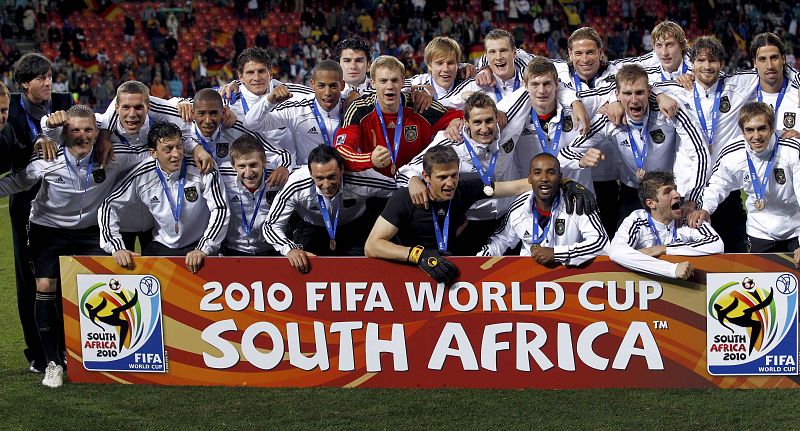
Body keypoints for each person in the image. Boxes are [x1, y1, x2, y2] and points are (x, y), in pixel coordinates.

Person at [0, 105, 149, 387]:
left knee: (113, 282)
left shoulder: (111, 157)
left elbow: (147, 155)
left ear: (98, 131)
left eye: (89, 130)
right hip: (48, 229)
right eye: (75, 130)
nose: (82, 136)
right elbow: (16, 183)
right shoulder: (46, 157)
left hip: (91, 231)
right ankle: (53, 363)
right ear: (65, 133)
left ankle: (106, 354)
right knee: (45, 287)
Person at [365, 146, 593, 283]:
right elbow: (372, 246)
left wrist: (565, 182)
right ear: (425, 176)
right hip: (410, 273)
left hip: (450, 269)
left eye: (453, 175)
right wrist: (419, 255)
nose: (450, 183)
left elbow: (514, 187)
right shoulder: (404, 199)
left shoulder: (465, 188)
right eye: (442, 177)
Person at [558, 64, 708, 226]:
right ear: (617, 95)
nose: (634, 100)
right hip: (633, 191)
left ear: (649, 92)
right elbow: (565, 153)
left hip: (668, 191)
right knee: (623, 244)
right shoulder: (608, 119)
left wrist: (692, 199)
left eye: (639, 92)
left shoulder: (669, 112)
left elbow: (700, 152)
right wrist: (581, 159)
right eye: (627, 94)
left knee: (678, 243)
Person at [4, 53, 75, 374]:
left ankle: (67, 346)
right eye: (40, 79)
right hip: (28, 205)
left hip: (66, 203)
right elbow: (11, 155)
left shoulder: (63, 99)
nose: (48, 83)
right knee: (31, 280)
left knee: (65, 275)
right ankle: (37, 352)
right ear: (24, 84)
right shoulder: (12, 108)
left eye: (49, 76)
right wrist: (35, 142)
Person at [99, 122, 230, 274]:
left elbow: (220, 209)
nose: (176, 154)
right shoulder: (142, 175)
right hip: (162, 246)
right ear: (153, 152)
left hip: (200, 244)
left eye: (179, 146)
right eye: (168, 149)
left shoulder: (203, 168)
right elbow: (109, 205)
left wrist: (204, 248)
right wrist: (116, 247)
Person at [688, 102, 800, 267]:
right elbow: (718, 183)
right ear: (742, 131)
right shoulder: (733, 152)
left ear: (772, 128)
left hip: (795, 226)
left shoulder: (792, 150)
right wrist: (705, 208)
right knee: (759, 284)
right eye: (750, 130)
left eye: (762, 128)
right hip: (759, 229)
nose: (756, 136)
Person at [263, 145, 398, 273]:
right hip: (311, 229)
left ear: (342, 170)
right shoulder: (296, 184)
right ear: (310, 174)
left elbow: (399, 190)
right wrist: (289, 249)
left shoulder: (363, 179)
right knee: (304, 270)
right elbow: (270, 225)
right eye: (319, 178)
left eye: (332, 177)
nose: (326, 185)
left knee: (361, 272)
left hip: (354, 229)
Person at [334, 55, 464, 178]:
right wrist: (369, 159)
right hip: (377, 187)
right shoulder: (359, 109)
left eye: (395, 80)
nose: (389, 86)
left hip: (415, 183)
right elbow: (342, 152)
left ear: (403, 82)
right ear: (373, 83)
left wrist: (456, 121)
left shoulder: (420, 105)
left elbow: (468, 117)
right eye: (383, 81)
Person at [478, 152, 608, 265]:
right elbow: (500, 241)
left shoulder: (578, 202)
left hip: (570, 278)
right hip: (529, 280)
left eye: (551, 172)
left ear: (560, 177)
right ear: (529, 178)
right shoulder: (518, 208)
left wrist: (557, 254)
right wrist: (477, 262)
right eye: (537, 173)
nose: (544, 178)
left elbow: (601, 243)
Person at [611, 171, 724, 279]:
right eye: (667, 192)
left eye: (675, 189)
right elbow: (617, 251)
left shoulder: (688, 218)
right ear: (651, 203)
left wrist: (664, 249)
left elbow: (716, 244)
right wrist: (671, 269)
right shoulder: (638, 220)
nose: (677, 195)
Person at [243, 60, 346, 165]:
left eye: (333, 86)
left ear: (342, 85)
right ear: (312, 84)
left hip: (348, 173)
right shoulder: (296, 108)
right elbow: (251, 124)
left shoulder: (354, 105)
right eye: (321, 86)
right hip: (308, 177)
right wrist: (268, 101)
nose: (327, 92)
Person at [219, 134, 283, 256]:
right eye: (242, 166)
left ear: (264, 162)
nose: (248, 173)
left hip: (273, 250)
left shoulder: (278, 178)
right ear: (233, 166)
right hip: (234, 251)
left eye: (253, 165)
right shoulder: (222, 176)